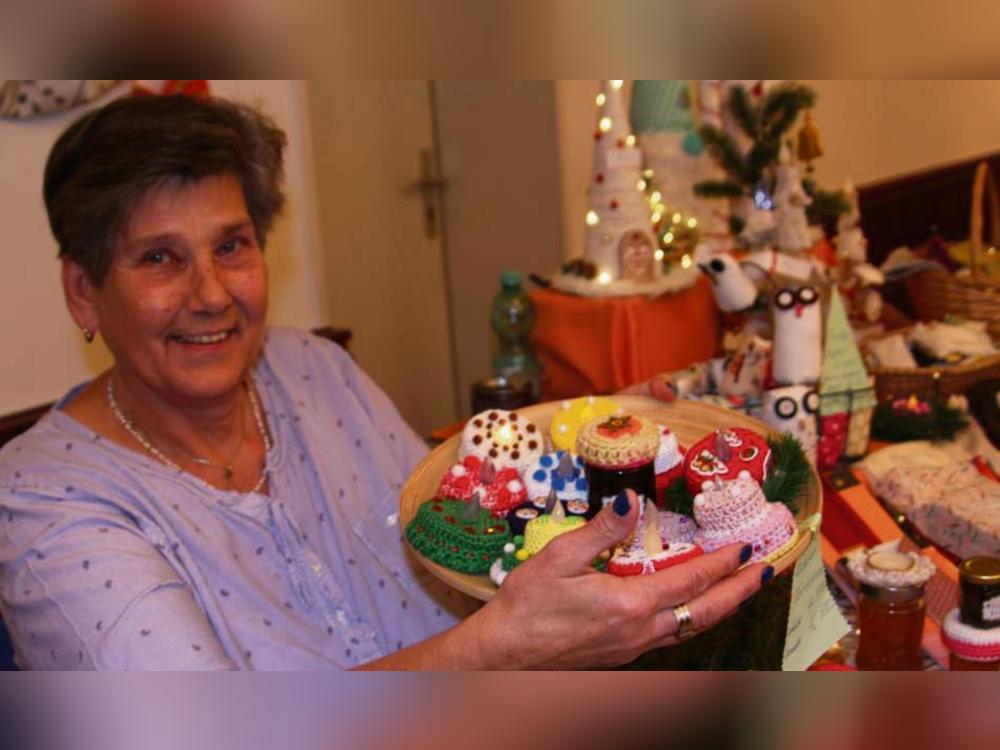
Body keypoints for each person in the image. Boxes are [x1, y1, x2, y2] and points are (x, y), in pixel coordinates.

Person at [0, 94, 770, 670]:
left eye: (231, 246)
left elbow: (465, 525)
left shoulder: (313, 370)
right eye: (159, 258)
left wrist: (603, 451)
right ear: (82, 291)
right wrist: (497, 652)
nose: (209, 293)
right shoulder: (41, 500)